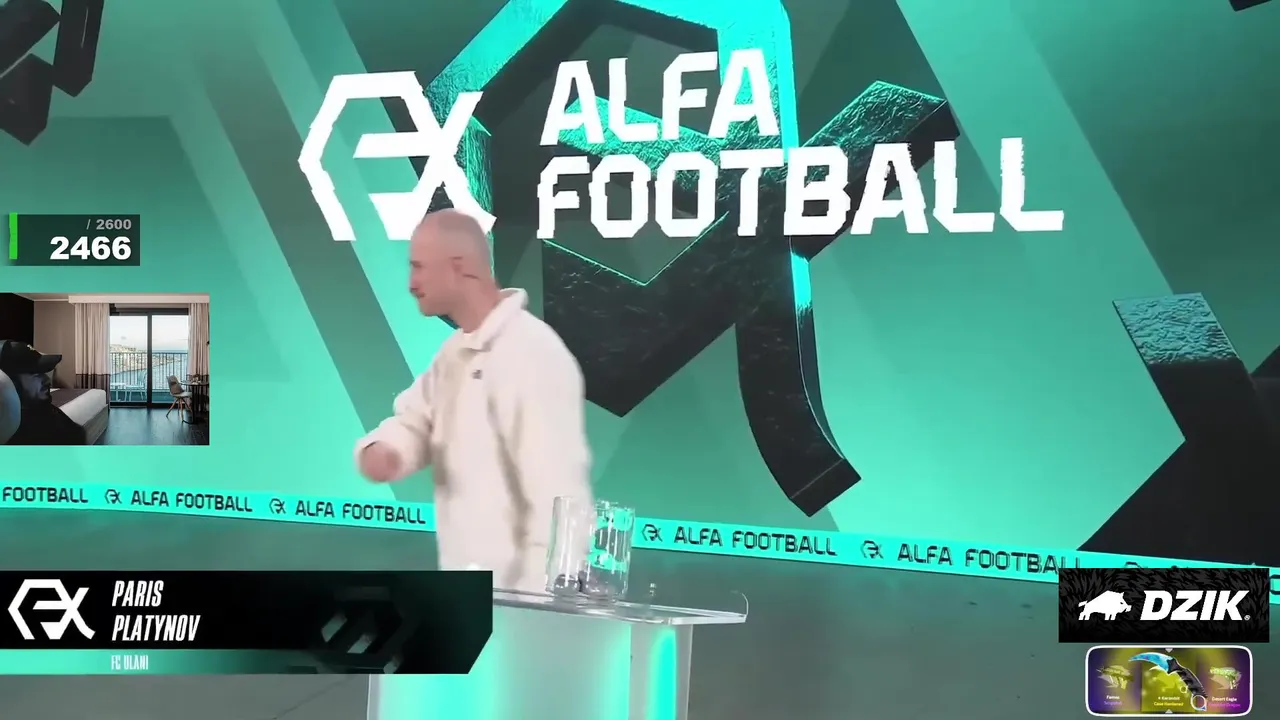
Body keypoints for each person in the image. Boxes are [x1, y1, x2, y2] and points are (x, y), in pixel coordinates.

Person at [354, 208, 593, 592]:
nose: (411, 284)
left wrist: (538, 606)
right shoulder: (454, 355)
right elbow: (417, 421)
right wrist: (387, 450)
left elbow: (559, 498)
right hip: (472, 595)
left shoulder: (533, 354)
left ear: (459, 267)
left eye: (418, 267)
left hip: (519, 604)